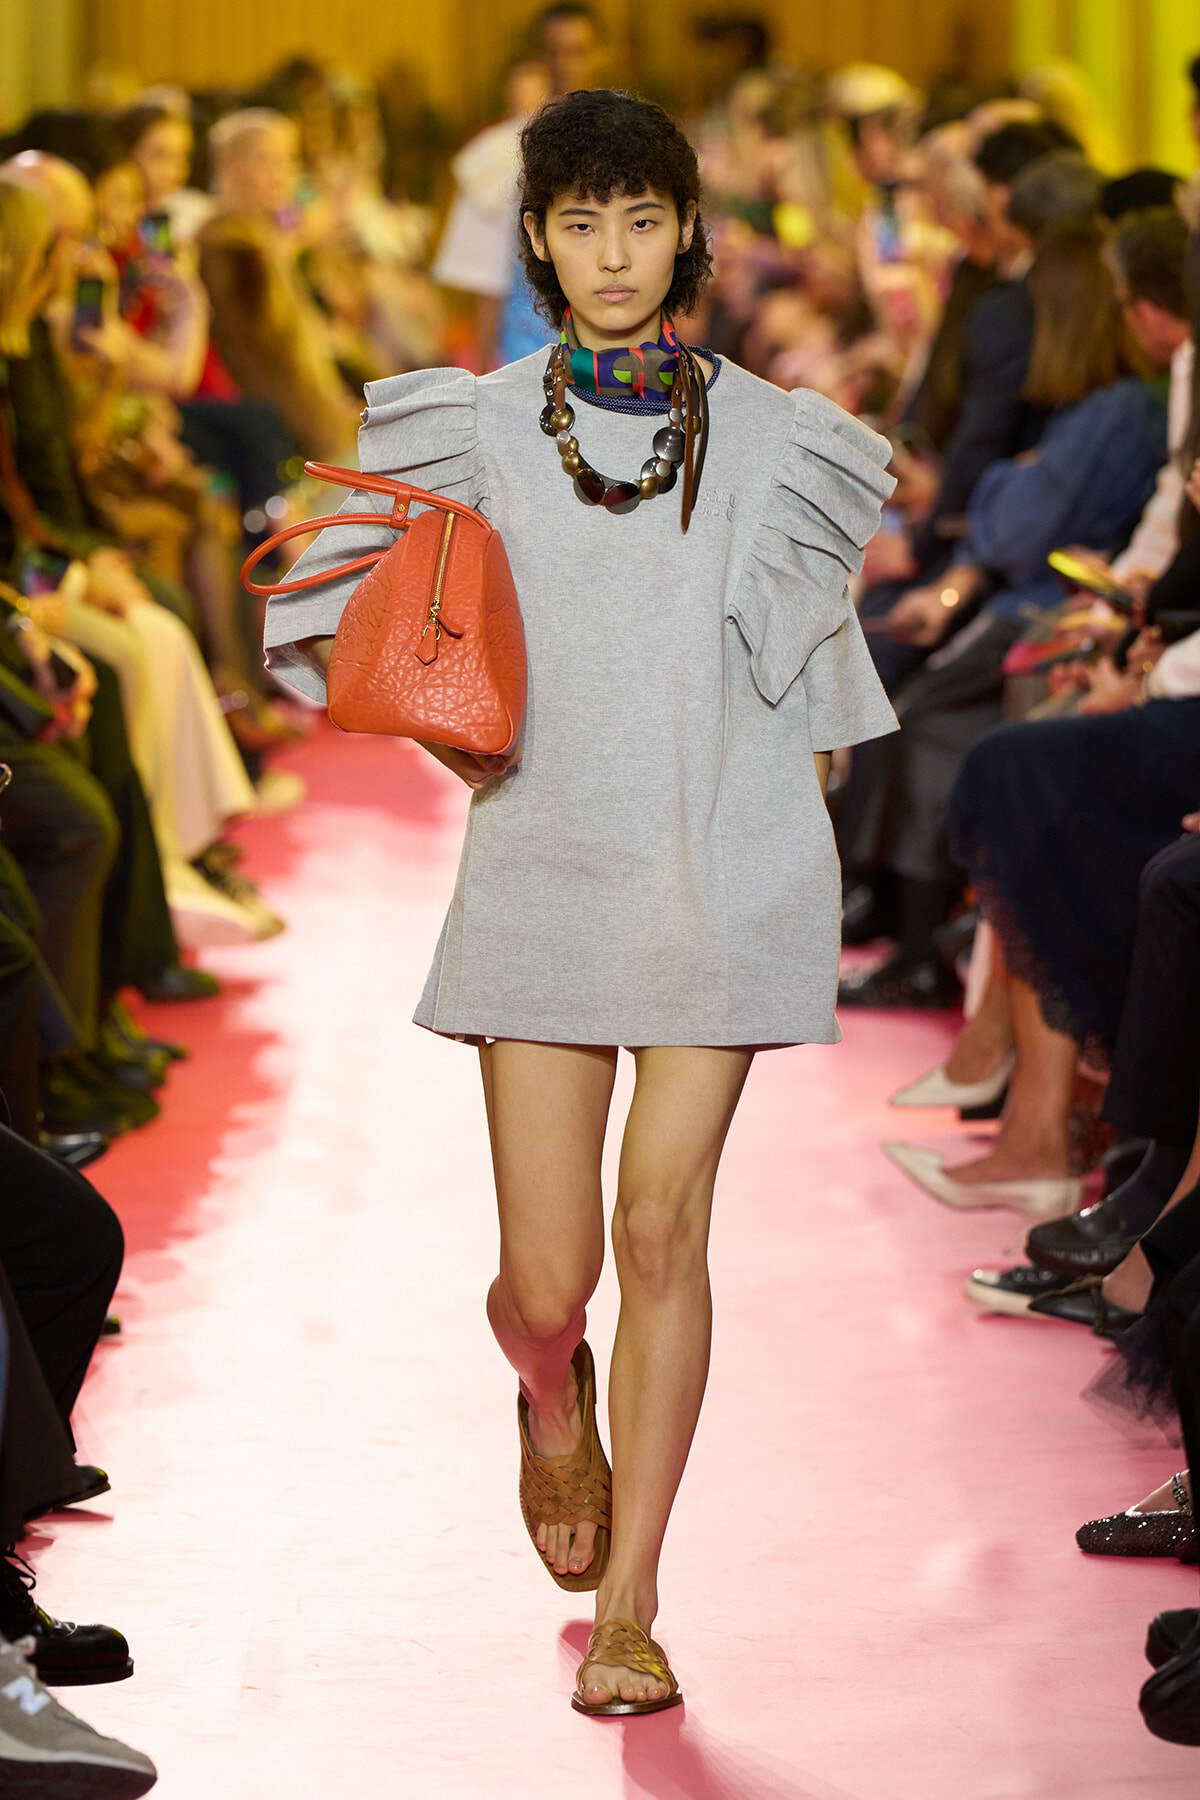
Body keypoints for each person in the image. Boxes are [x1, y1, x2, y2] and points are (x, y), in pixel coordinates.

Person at [262, 88, 897, 1715]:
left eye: (643, 219)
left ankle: (634, 1603)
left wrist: (785, 838)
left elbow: (822, 684)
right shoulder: (469, 423)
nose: (615, 253)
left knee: (662, 1229)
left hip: (722, 863)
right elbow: (317, 614)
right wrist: (458, 747)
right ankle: (554, 1400)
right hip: (546, 862)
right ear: (537, 240)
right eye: (581, 221)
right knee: (547, 1288)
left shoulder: (784, 438)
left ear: (689, 231)